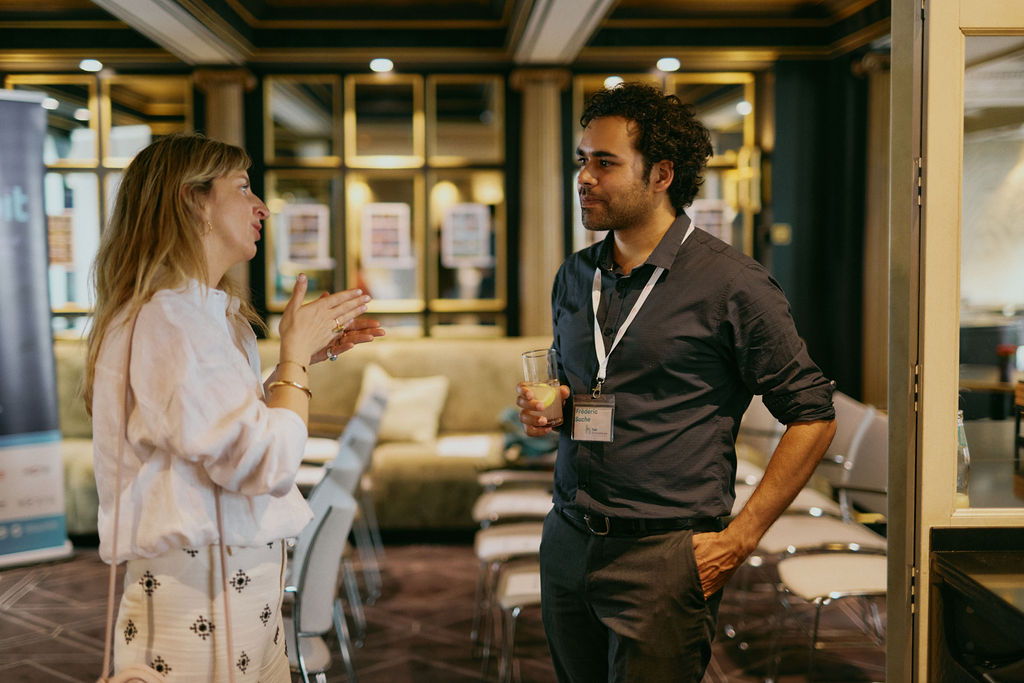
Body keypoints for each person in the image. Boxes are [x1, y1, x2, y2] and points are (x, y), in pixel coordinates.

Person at [516, 82, 837, 682]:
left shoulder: (731, 283)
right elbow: (584, 388)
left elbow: (812, 414)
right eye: (582, 160)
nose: (584, 177)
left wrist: (740, 540)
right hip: (568, 538)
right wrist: (552, 407)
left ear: (661, 174)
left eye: (605, 162)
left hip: (664, 556)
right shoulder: (575, 275)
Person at [84, 133, 384, 681]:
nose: (261, 206)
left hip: (239, 597)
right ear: (193, 201)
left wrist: (301, 361)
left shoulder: (202, 314)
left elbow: (223, 432)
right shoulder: (168, 319)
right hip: (198, 604)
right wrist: (292, 359)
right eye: (243, 188)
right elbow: (265, 463)